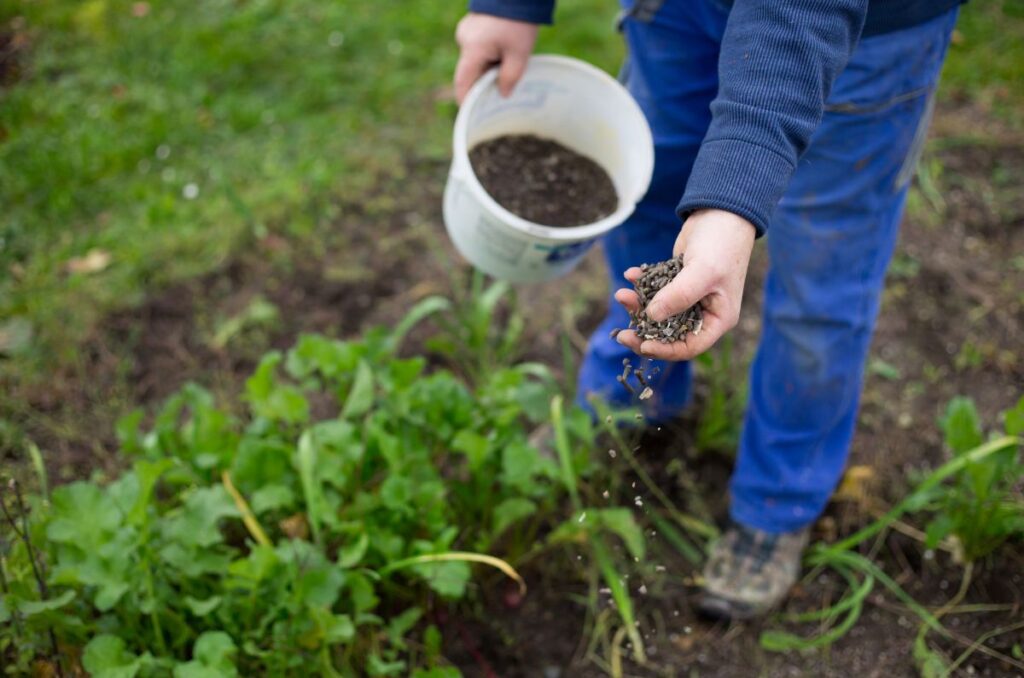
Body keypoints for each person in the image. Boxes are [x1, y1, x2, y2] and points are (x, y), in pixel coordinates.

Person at [452, 0, 961, 620]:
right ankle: (636, 396)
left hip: (858, 31)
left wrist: (734, 195)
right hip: (679, 10)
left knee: (821, 284)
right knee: (647, 193)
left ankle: (777, 502)